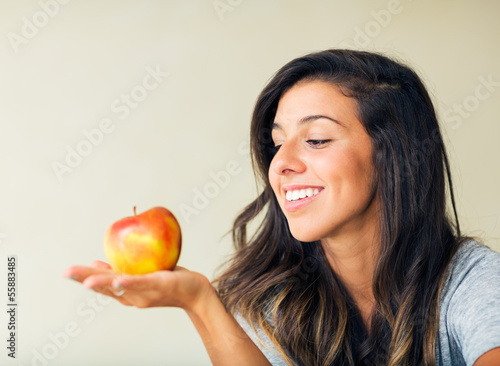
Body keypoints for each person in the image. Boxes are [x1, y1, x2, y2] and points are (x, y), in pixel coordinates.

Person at [63, 49, 500, 365]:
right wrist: (199, 302)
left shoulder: (473, 283)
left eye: (316, 140)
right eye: (276, 144)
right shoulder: (274, 301)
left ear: (394, 155)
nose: (282, 165)